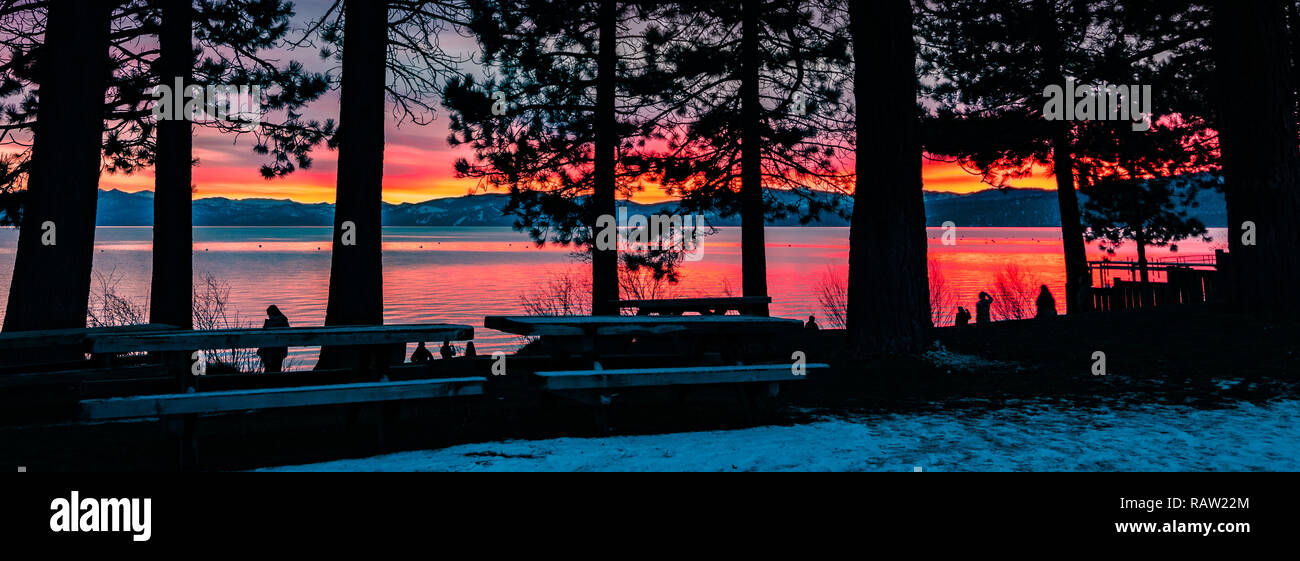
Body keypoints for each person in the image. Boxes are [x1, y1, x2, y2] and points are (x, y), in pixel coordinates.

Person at [256, 305, 290, 373]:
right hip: (280, 352)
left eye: (269, 314)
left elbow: (265, 337)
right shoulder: (284, 321)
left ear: (272, 313)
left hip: (271, 353)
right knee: (277, 370)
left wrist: (261, 350)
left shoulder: (272, 322)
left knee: (269, 370)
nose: (268, 316)